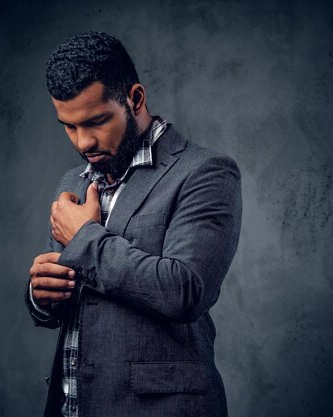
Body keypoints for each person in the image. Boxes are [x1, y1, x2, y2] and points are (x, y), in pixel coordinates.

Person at [25, 31, 242, 417]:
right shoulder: (73, 183)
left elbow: (185, 291)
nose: (83, 142)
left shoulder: (204, 173)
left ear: (135, 98)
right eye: (69, 126)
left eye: (96, 121)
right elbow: (77, 301)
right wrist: (41, 297)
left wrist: (85, 240)